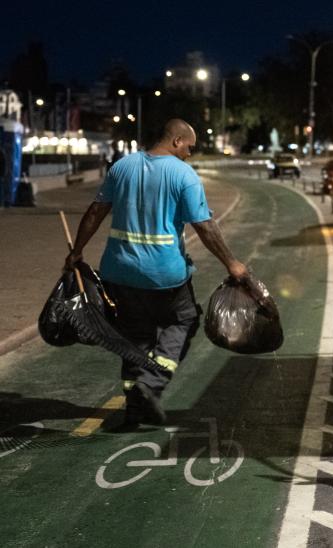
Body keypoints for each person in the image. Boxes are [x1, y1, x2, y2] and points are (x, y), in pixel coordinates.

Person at [65, 119, 250, 428]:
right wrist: (232, 263)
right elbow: (203, 226)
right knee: (183, 320)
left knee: (133, 338)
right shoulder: (184, 175)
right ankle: (150, 384)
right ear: (176, 141)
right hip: (164, 274)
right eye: (189, 147)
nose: (190, 154)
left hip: (119, 273)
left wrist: (76, 252)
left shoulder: (122, 167)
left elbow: (96, 211)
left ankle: (133, 410)